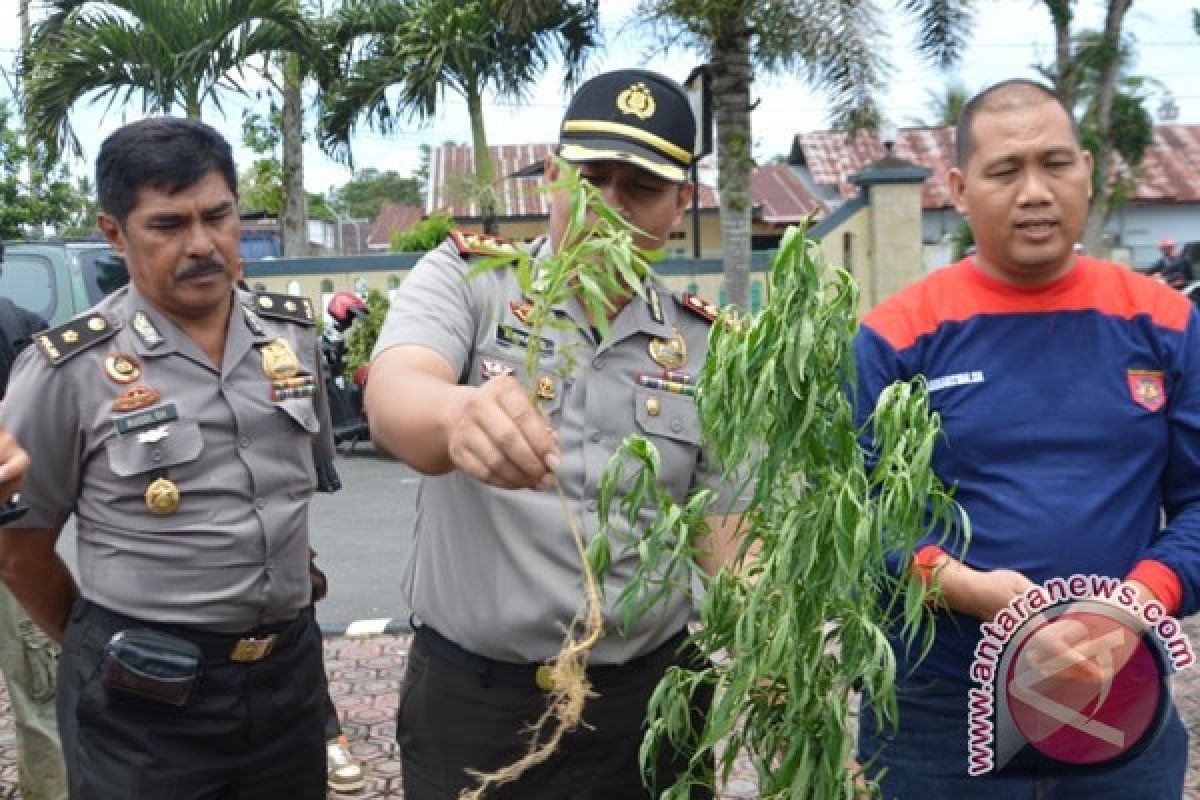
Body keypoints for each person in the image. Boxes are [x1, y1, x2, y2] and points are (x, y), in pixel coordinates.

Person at [366, 68, 745, 799]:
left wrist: (782, 653)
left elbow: (727, 539)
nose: (607, 207)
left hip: (648, 708)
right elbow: (395, 396)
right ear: (551, 177)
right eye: (590, 178)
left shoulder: (709, 346)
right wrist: (454, 415)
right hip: (478, 710)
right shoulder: (471, 282)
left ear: (681, 203)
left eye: (639, 187)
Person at [854, 79, 1196, 798]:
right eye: (1006, 170)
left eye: (1056, 164)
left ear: (1089, 171)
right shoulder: (898, 337)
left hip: (1119, 690)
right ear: (958, 186)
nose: (1035, 191)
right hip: (940, 705)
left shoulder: (1165, 324)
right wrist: (969, 590)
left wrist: (1132, 605)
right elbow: (860, 519)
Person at [0, 117, 336, 799]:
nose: (203, 245)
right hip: (145, 702)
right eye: (167, 225)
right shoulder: (68, 369)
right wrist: (97, 642)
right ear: (114, 233)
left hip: (288, 680)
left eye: (218, 216)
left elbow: (292, 495)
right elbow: (18, 550)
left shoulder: (291, 337)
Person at [0, 242, 66, 800]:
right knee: (40, 699)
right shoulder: (28, 329)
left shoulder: (23, 332)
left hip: (12, 542)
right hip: (14, 541)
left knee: (41, 697)